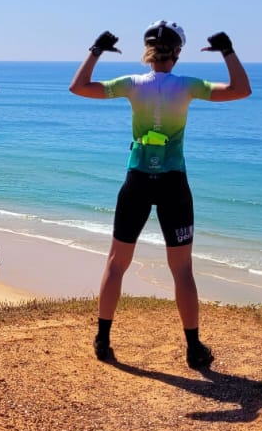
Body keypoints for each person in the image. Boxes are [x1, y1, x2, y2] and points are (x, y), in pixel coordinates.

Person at [69, 21, 251, 368]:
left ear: (147, 51)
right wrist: (227, 49)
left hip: (137, 181)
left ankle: (102, 339)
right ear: (178, 52)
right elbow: (241, 90)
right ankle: (194, 348)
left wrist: (97, 49)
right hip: (173, 184)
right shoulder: (188, 86)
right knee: (182, 270)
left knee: (116, 263)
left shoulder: (131, 84)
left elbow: (78, 87)